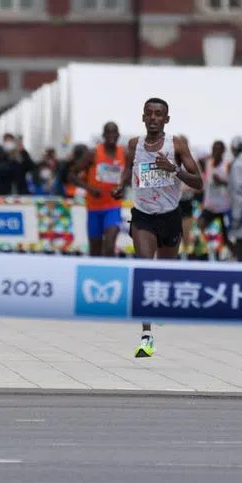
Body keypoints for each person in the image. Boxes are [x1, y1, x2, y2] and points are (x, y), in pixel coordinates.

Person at [111, 98, 203, 358]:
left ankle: (160, 305)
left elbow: (198, 183)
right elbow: (128, 171)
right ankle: (146, 336)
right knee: (145, 270)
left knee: (163, 273)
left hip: (170, 216)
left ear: (166, 119)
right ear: (143, 117)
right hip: (143, 216)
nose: (153, 118)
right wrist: (121, 186)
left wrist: (173, 170)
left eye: (158, 114)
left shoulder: (177, 145)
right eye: (149, 113)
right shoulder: (134, 145)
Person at [71, 121, 126, 258]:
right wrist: (89, 189)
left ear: (118, 135)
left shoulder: (124, 154)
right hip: (94, 208)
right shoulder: (93, 153)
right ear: (103, 135)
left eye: (114, 132)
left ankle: (111, 269)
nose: (111, 135)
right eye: (108, 132)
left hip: (113, 206)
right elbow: (71, 175)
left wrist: (122, 187)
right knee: (95, 252)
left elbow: (129, 174)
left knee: (109, 246)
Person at [197, 140, 232, 257]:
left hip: (224, 207)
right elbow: (198, 156)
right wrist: (209, 155)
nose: (215, 152)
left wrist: (222, 182)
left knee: (226, 238)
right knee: (200, 225)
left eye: (218, 150)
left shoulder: (227, 165)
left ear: (223, 151)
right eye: (214, 149)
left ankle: (234, 256)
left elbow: (234, 183)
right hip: (210, 206)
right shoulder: (208, 163)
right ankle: (207, 251)